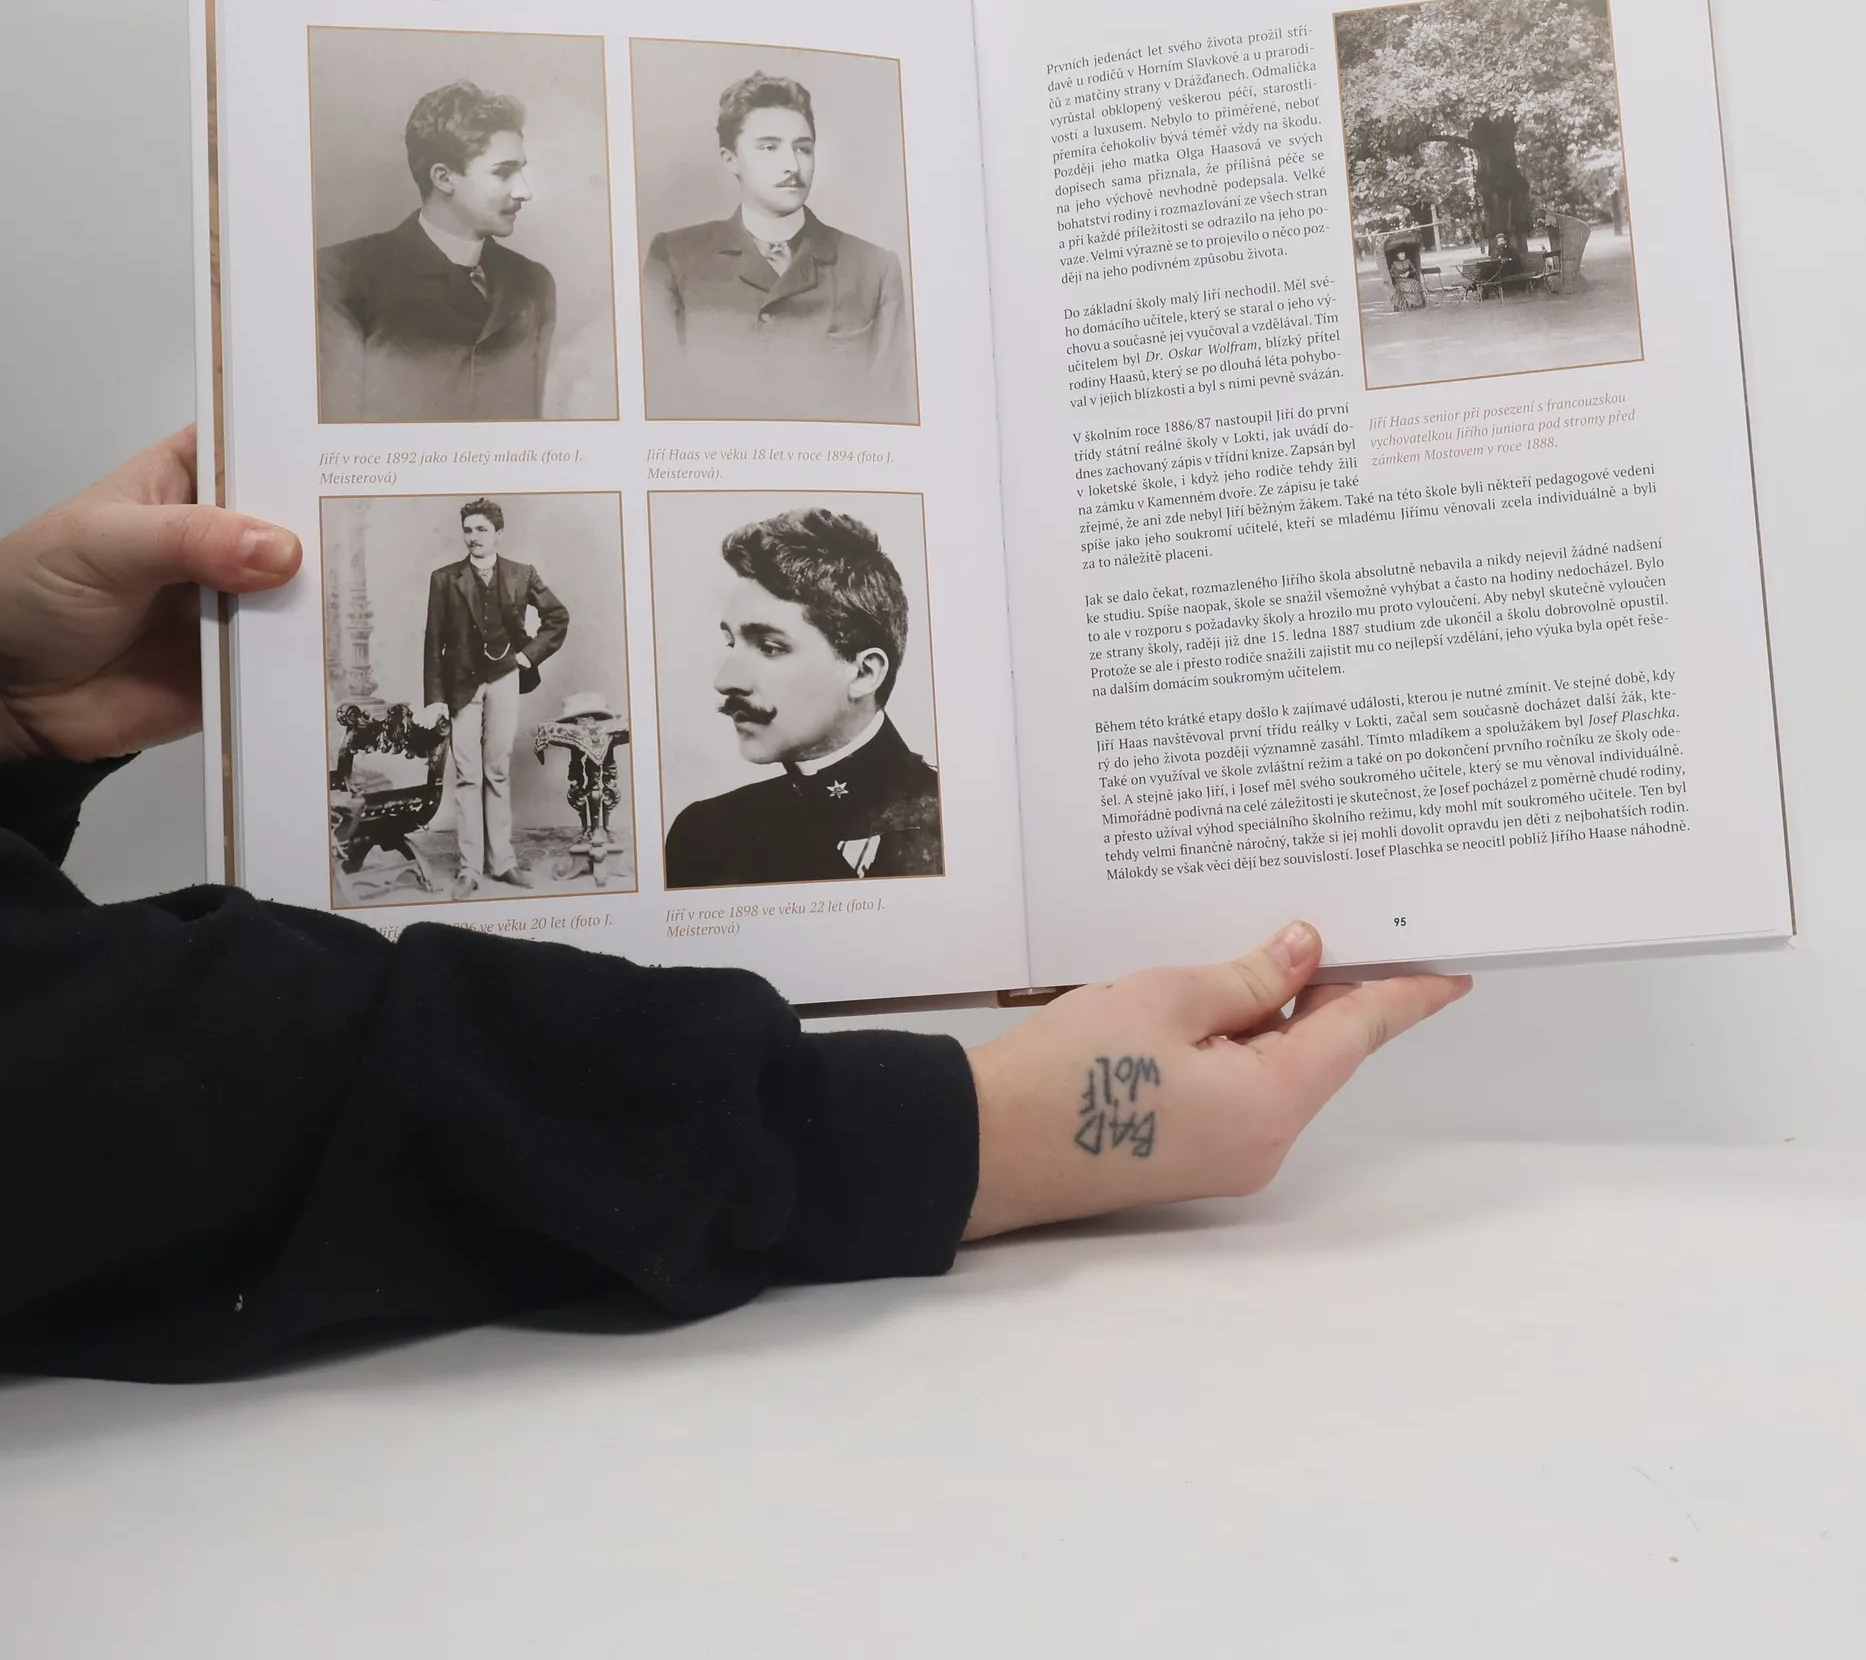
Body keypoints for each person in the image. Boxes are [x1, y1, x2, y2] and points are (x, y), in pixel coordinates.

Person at [0, 429, 1470, 1382]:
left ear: (870, 670)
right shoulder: (707, 829)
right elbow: (133, 1076)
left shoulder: (930, 804)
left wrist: (9, 717)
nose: (718, 676)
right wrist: (985, 1129)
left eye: (762, 642)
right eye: (724, 637)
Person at [664, 508, 941, 889]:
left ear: (864, 673)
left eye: (770, 647)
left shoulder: (957, 822)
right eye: (731, 643)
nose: (725, 682)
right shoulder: (704, 835)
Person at [641, 72, 916, 424]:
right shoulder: (674, 258)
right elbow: (662, 403)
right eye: (769, 147)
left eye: (803, 148)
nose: (793, 166)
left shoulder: (875, 268)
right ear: (730, 159)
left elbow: (887, 414)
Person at [318, 80, 556, 423]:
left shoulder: (534, 283)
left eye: (521, 170)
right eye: (503, 172)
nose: (524, 191)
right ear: (444, 178)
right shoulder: (341, 276)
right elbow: (337, 432)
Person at [420, 497, 570, 897]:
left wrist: (526, 656)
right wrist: (434, 698)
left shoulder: (522, 573)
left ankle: (502, 863)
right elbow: (433, 641)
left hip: (505, 678)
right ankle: (470, 869)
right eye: (468, 530)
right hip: (460, 684)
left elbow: (557, 617)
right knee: (468, 775)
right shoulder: (445, 579)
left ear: (499, 533)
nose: (473, 537)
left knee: (498, 770)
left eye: (482, 530)